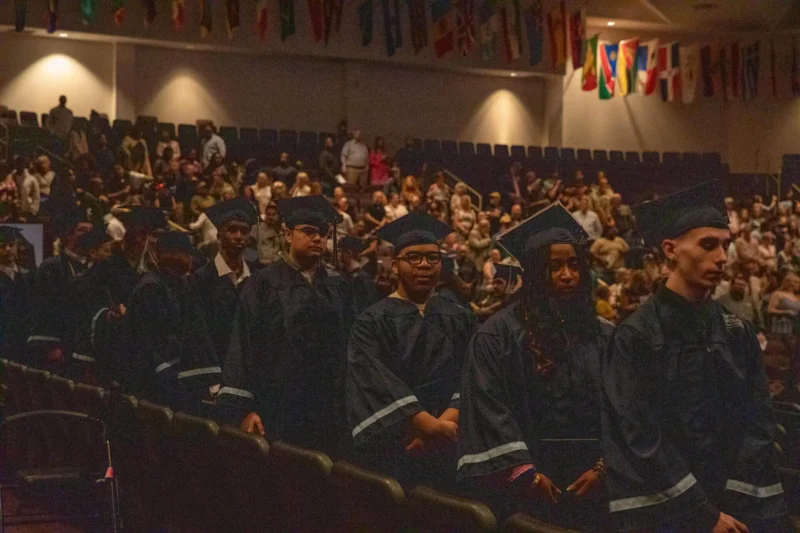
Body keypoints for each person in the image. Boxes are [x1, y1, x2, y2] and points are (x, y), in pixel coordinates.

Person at [602, 182, 789, 532]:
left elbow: (759, 421)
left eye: (725, 245)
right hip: (669, 507)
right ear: (670, 250)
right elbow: (640, 437)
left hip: (737, 502)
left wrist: (732, 503)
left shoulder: (737, 331)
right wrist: (703, 513)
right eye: (707, 245)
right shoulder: (637, 336)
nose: (721, 257)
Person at [458, 204, 613, 530]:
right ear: (533, 272)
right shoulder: (498, 334)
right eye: (554, 267)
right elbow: (487, 404)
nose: (567, 275)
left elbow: (627, 406)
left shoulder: (604, 334)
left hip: (598, 483)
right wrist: (523, 473)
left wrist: (604, 468)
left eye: (574, 265)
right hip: (529, 484)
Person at [346, 212, 476, 489]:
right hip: (398, 445)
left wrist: (445, 423)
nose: (424, 265)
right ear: (395, 266)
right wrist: (425, 425)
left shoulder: (460, 316)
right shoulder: (371, 321)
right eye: (413, 258)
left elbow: (473, 374)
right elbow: (375, 381)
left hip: (452, 440)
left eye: (432, 258)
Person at [218, 195, 355, 456]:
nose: (318, 238)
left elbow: (351, 349)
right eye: (309, 231)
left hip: (329, 411)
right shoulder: (262, 284)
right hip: (277, 408)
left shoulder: (339, 286)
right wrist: (246, 409)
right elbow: (244, 345)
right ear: (288, 234)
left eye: (323, 233)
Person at [121, 231, 219, 410]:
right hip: (150, 382)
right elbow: (155, 342)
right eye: (185, 254)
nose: (190, 260)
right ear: (171, 256)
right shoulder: (152, 287)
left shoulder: (177, 283)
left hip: (167, 377)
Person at [193, 197, 257, 373]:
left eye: (244, 231)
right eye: (232, 230)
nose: (239, 236)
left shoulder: (256, 278)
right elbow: (199, 332)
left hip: (249, 368)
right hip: (216, 367)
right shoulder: (202, 278)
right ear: (219, 235)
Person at [26, 209, 92, 373]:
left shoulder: (96, 267)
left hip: (84, 346)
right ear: (69, 235)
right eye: (82, 230)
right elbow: (44, 308)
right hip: (62, 344)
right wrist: (51, 346)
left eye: (91, 232)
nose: (88, 235)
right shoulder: (53, 267)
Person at [0, 226, 33, 362]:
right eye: (2, 246)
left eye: (11, 245)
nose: (8, 249)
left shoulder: (28, 275)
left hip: (25, 341)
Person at [340, 235, 380, 313]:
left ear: (349, 253)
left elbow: (364, 308)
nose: (338, 254)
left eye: (340, 251)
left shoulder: (362, 278)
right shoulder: (348, 275)